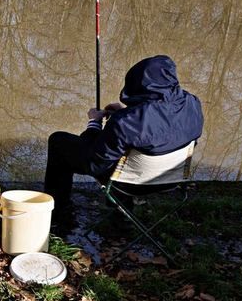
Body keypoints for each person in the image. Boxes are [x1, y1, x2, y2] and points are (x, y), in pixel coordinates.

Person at [43, 54, 203, 211]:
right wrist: (126, 112)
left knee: (58, 141)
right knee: (130, 148)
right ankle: (119, 212)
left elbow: (95, 164)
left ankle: (57, 209)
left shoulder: (124, 122)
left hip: (130, 184)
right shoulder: (192, 103)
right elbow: (161, 122)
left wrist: (94, 123)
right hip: (171, 179)